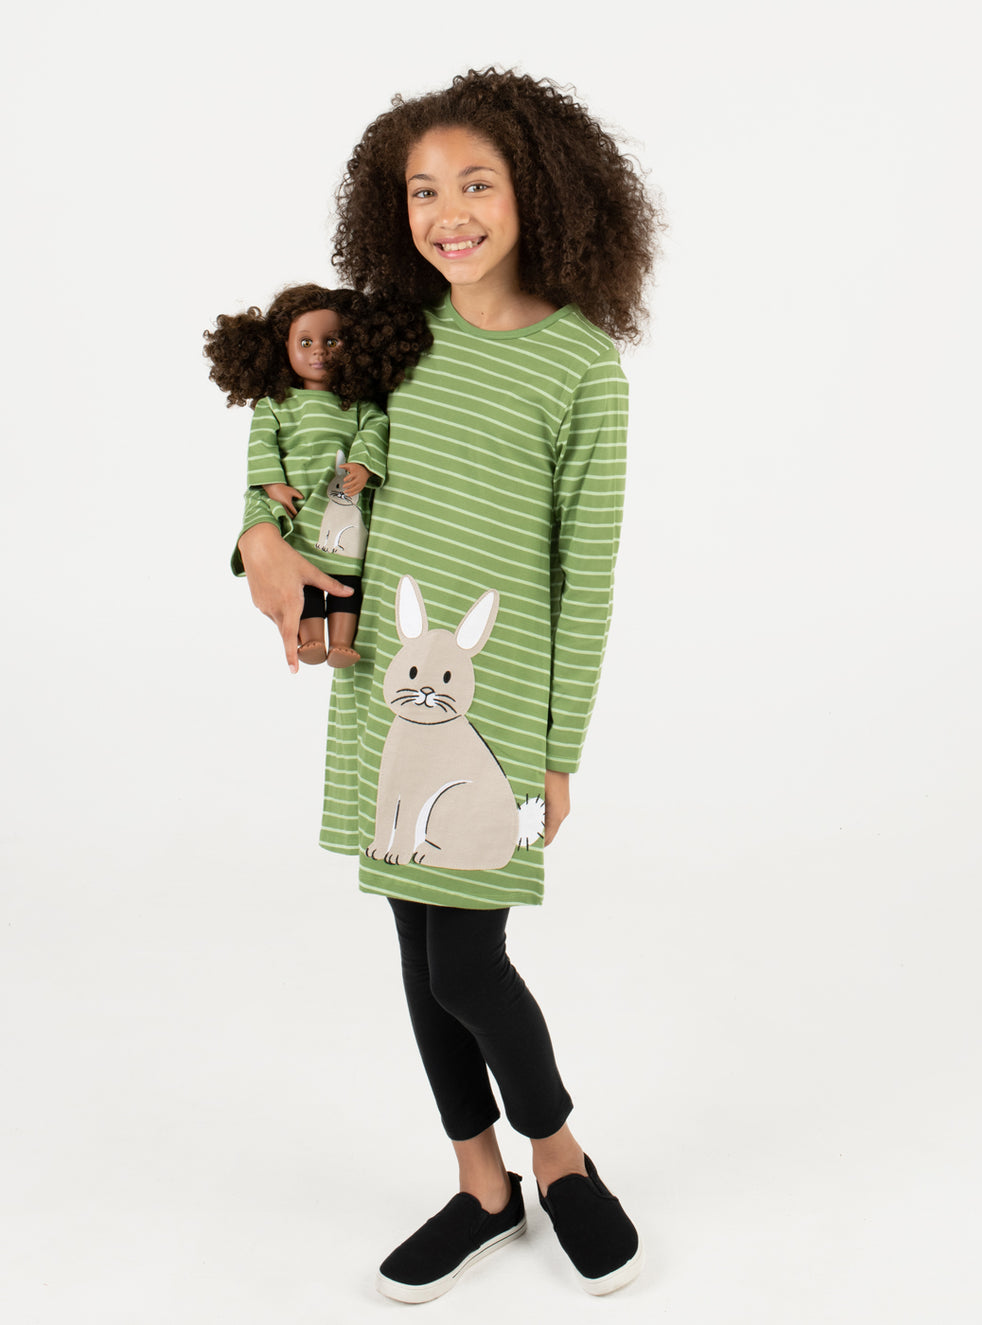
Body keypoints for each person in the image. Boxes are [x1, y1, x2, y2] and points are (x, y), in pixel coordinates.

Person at [236, 69, 659, 1302]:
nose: (448, 213)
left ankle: (559, 1156)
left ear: (543, 193)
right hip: (384, 685)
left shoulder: (583, 369)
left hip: (495, 711)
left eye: (476, 183)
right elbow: (294, 449)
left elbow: (586, 576)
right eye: (423, 191)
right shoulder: (389, 336)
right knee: (420, 946)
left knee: (467, 964)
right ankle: (483, 1185)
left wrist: (557, 749)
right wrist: (255, 544)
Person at [206, 284, 429, 665]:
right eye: (305, 342)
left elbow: (374, 429)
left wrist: (363, 465)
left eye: (332, 341)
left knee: (347, 580)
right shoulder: (276, 406)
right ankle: (311, 639)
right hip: (297, 508)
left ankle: (341, 641)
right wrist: (272, 483)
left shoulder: (358, 407)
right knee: (304, 576)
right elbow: (261, 446)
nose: (319, 351)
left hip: (343, 508)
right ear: (283, 347)